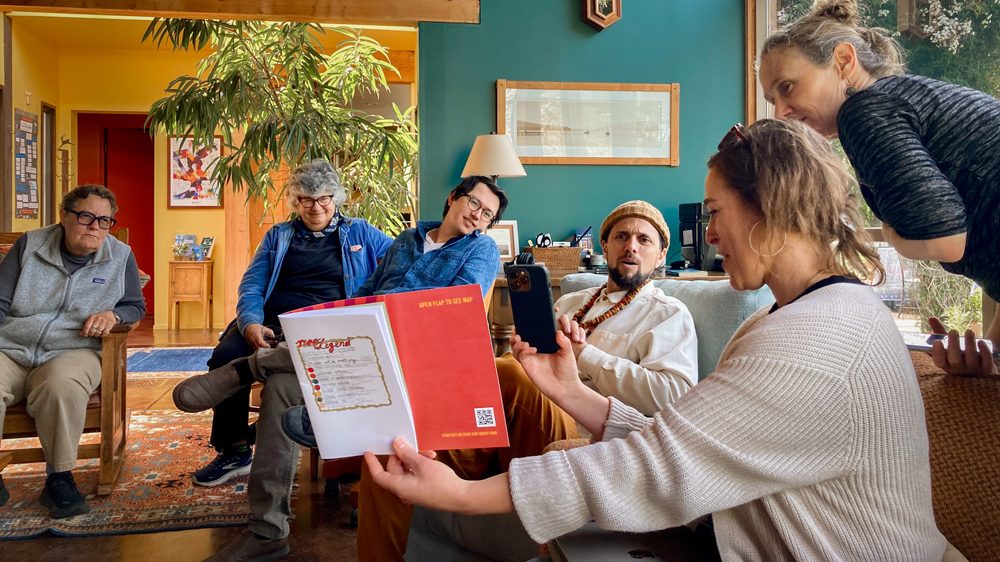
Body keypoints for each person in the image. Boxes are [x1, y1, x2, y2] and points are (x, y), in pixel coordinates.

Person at [366, 119, 947, 560]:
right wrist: (573, 391)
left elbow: (660, 464)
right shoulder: (796, 314)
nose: (711, 232)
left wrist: (460, 495)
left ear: (770, 210)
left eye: (717, 212)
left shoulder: (812, 341)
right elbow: (693, 444)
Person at [328, 200, 701, 561]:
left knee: (509, 371)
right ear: (605, 245)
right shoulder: (572, 302)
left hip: (583, 434)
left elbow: (674, 396)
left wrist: (586, 355)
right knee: (394, 448)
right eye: (621, 237)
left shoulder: (668, 314)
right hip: (513, 420)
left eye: (643, 239)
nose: (630, 246)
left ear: (661, 254)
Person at [172, 175, 507, 561]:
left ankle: (248, 369)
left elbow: (453, 307)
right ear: (453, 197)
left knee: (285, 370)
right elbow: (366, 289)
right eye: (473, 203)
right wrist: (344, 316)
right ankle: (268, 532)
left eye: (487, 215)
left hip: (409, 352)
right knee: (282, 388)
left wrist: (381, 309)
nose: (477, 215)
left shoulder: (480, 251)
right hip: (362, 339)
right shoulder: (403, 241)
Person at [757, 0, 1000, 374]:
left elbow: (946, 241)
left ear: (843, 61)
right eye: (772, 99)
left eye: (788, 87)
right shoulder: (898, 99)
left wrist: (894, 235)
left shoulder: (865, 112)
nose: (781, 111)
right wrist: (990, 357)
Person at [190, 159, 392, 487]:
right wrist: (252, 323)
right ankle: (235, 451)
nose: (316, 207)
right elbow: (252, 285)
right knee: (225, 355)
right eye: (307, 200)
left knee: (297, 366)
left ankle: (333, 445)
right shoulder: (279, 236)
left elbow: (400, 257)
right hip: (273, 323)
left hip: (328, 327)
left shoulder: (360, 232)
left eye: (324, 198)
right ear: (296, 201)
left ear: (336, 197)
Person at [0, 184, 146, 517]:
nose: (95, 227)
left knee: (61, 386)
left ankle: (59, 478)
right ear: (64, 217)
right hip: (11, 345)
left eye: (104, 220)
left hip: (74, 348)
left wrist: (114, 315)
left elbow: (135, 306)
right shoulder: (30, 245)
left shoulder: (120, 255)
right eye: (85, 216)